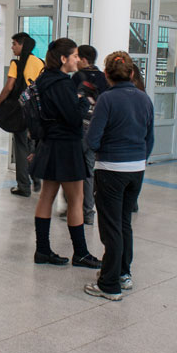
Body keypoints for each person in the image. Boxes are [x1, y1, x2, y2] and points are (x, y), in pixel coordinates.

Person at [83, 51, 154, 301]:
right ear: (132, 73)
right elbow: (150, 138)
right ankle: (124, 273)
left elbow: (92, 139)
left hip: (112, 169)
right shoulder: (145, 100)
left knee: (110, 227)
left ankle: (109, 283)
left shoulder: (107, 99)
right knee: (124, 223)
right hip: (137, 169)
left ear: (106, 74)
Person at [29, 38, 101, 269]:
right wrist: (82, 103)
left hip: (50, 144)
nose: (78, 59)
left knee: (46, 197)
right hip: (67, 145)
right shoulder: (62, 83)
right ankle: (80, 253)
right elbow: (72, 118)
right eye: (75, 55)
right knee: (76, 199)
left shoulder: (44, 79)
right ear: (63, 59)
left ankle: (42, 250)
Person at [0, 32, 44, 197]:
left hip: (20, 111)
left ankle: (23, 186)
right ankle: (35, 175)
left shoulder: (16, 63)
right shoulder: (39, 62)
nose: (12, 47)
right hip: (36, 111)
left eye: (15, 44)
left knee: (21, 146)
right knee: (32, 146)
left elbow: (9, 86)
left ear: (22, 45)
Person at [71, 44, 107, 223]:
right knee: (89, 171)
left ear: (84, 60)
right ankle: (88, 213)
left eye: (78, 57)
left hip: (79, 127)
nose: (76, 61)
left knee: (73, 169)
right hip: (96, 128)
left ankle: (73, 207)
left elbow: (70, 102)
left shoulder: (78, 77)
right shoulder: (103, 78)